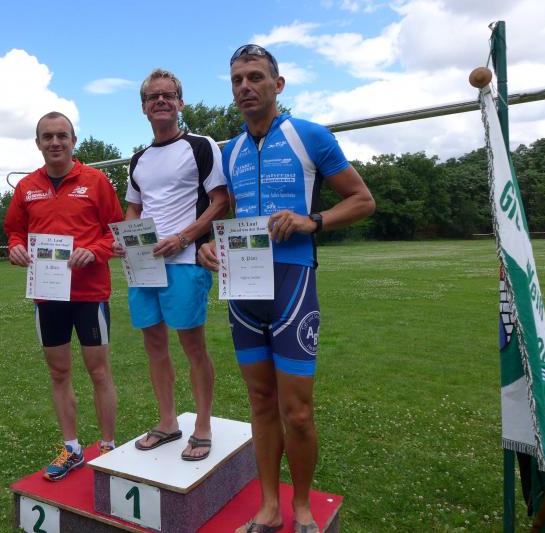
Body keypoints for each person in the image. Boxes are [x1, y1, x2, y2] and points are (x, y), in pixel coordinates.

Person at [198, 45, 375, 533]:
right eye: (237, 80)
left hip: (293, 286)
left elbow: (362, 200)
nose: (245, 87)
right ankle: (269, 506)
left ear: (278, 84)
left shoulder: (309, 136)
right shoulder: (229, 152)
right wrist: (209, 248)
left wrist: (312, 220)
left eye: (255, 77)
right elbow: (227, 219)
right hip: (244, 291)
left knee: (296, 412)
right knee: (259, 402)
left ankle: (301, 507)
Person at [4, 111, 124, 481]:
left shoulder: (96, 181)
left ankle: (108, 448)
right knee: (59, 372)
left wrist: (95, 251)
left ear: (74, 141)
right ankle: (72, 448)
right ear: (38, 143)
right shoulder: (26, 187)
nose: (55, 142)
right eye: (47, 137)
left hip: (89, 293)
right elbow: (14, 232)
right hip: (47, 294)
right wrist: (15, 248)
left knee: (99, 371)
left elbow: (116, 232)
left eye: (61, 136)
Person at [117, 69, 229, 461]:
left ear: (180, 103)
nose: (161, 101)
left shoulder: (201, 146)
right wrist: (126, 238)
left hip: (184, 260)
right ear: (144, 108)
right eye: (153, 97)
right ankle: (167, 422)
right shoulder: (138, 159)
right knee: (154, 345)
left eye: (168, 95)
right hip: (144, 266)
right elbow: (134, 208)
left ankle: (203, 426)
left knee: (193, 346)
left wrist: (183, 238)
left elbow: (220, 201)